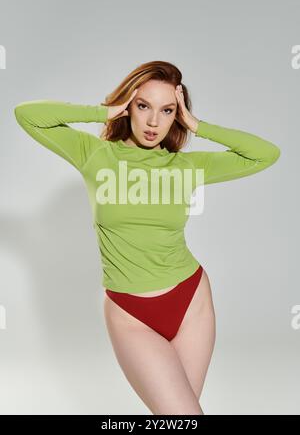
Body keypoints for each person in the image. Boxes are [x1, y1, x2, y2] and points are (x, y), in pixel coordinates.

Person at [14, 60, 281, 415]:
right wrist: (102, 112)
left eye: (167, 110)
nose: (154, 122)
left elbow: (266, 154)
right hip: (130, 314)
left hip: (190, 301)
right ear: (129, 106)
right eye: (144, 106)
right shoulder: (95, 156)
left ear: (178, 114)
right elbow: (26, 114)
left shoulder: (185, 167)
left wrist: (198, 126)